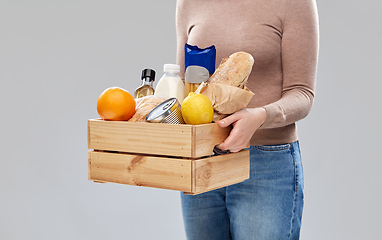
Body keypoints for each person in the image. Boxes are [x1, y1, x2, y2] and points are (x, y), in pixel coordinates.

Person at [176, 0, 319, 239]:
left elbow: (302, 93)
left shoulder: (294, 3)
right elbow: (185, 85)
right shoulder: (189, 2)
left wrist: (260, 116)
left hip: (265, 164)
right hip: (202, 162)